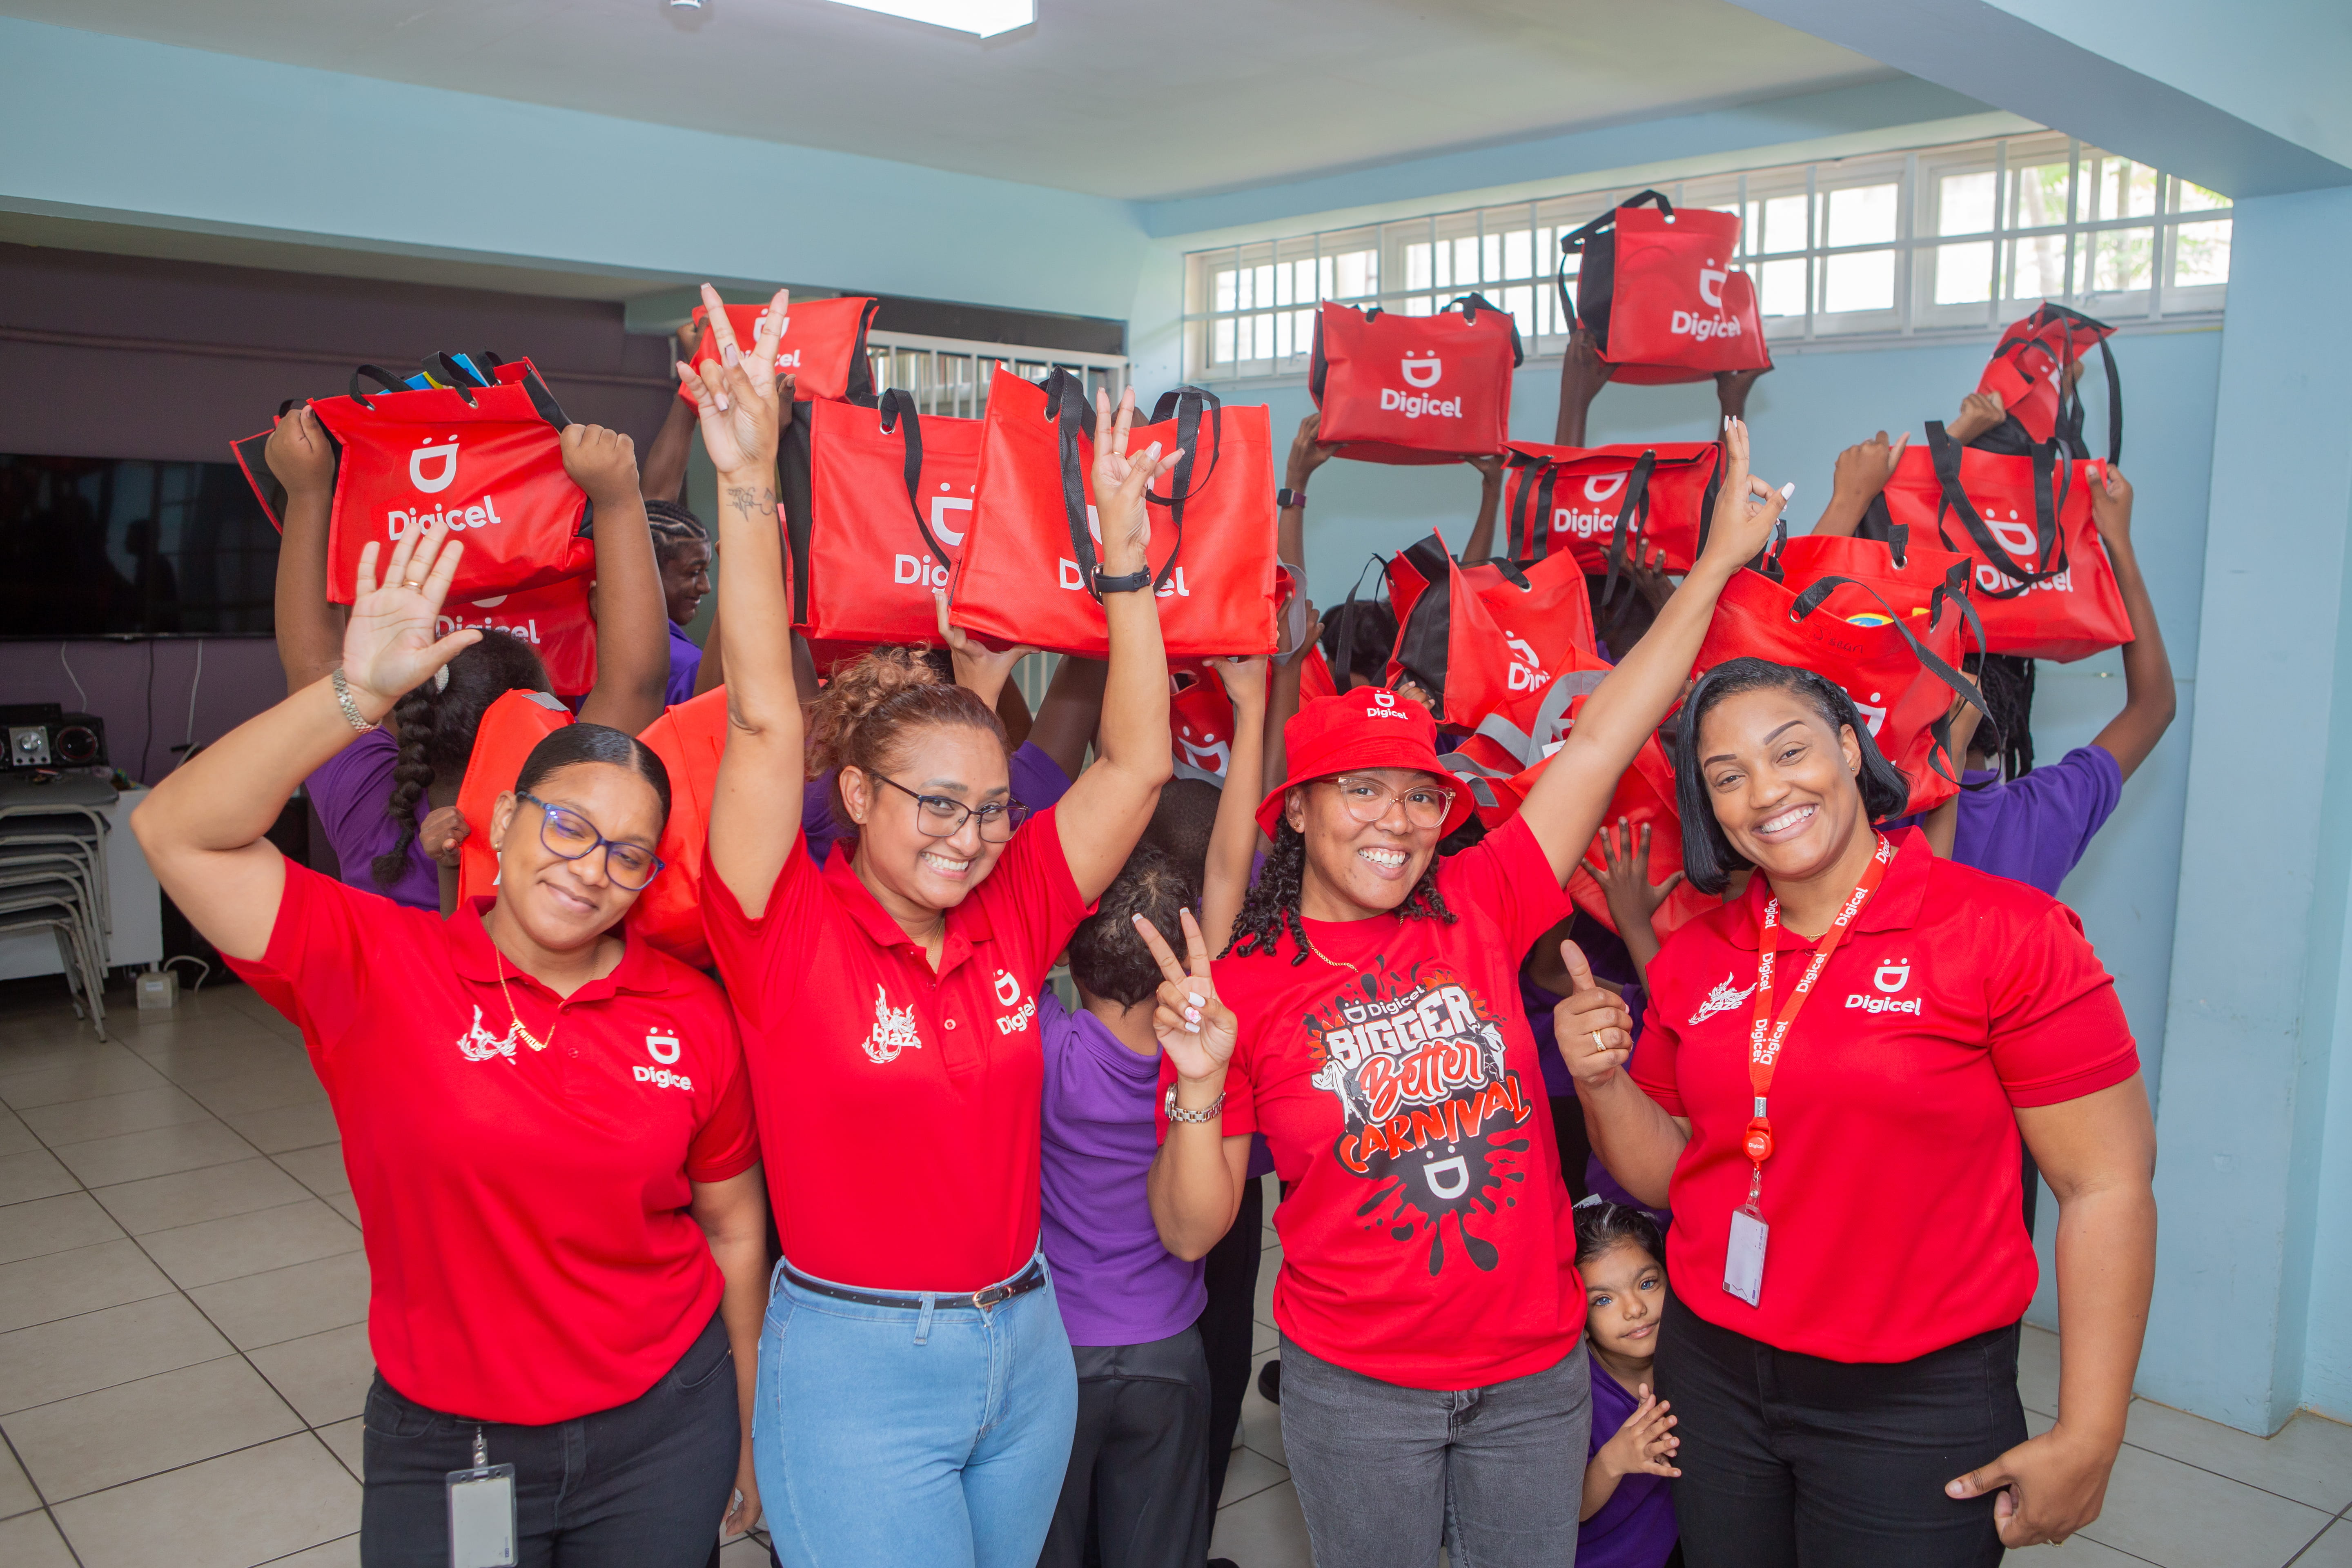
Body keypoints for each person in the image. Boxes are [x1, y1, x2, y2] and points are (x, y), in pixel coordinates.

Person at [1140, 419, 1791, 1568]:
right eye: (1361, 793)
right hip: (1359, 1392)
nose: (1396, 823)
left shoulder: (1482, 899)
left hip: (1537, 1376)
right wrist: (1195, 1081)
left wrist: (1718, 567)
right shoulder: (1242, 989)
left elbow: (1605, 739)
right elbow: (1193, 1230)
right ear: (1294, 810)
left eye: (1420, 798)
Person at [131, 518, 769, 1565]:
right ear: (504, 818)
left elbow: (734, 1231)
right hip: (453, 1441)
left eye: (629, 854)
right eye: (565, 826)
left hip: (669, 1420)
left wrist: (743, 1424)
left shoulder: (688, 1012)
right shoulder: (380, 967)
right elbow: (176, 830)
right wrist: (353, 695)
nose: (589, 867)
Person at [685, 287, 1177, 1568]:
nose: (969, 833)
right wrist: (748, 488)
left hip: (1025, 1342)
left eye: (993, 809)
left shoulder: (1014, 906)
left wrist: (1123, 560)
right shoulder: (781, 924)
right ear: (855, 796)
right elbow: (757, 723)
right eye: (937, 805)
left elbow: (1136, 763)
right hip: (855, 1358)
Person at [1557, 655, 2156, 1564]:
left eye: (1789, 750)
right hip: (1712, 1376)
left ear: (1848, 748)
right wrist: (1603, 1084)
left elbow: (2106, 1185)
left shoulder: (2007, 934)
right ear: (1709, 809)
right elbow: (1666, 1172)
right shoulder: (1695, 958)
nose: (1766, 791)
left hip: (1913, 1398)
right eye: (1727, 777)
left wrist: (2093, 1431)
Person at [266, 404, 673, 910]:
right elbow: (636, 683)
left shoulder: (367, 810)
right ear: (542, 712)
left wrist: (307, 494)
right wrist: (617, 498)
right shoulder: (569, 821)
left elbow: (314, 670)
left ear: (401, 715)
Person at [1038, 840, 1215, 1568]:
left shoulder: (1042, 1048)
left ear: (1073, 958)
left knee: (1047, 1547)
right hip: (1168, 1347)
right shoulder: (1206, 1065)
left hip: (1054, 1352)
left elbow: (1002, 941)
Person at [1575, 1202, 1682, 1568]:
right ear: (1581, 1318)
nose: (1634, 1308)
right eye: (1603, 1300)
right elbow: (1563, 1510)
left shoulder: (1694, 1367)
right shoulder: (1576, 1392)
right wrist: (1614, 1461)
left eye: (1648, 1283)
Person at [647, 498, 714, 706]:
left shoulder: (585, 643)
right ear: (649, 571)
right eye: (694, 572)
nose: (706, 587)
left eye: (706, 571)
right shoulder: (687, 667)